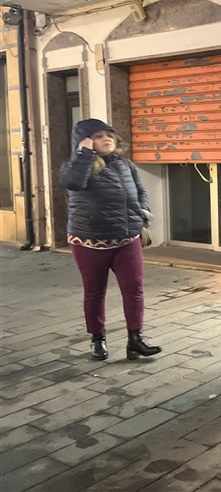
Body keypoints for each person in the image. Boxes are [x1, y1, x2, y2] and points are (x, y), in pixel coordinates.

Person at [60, 119, 161, 361]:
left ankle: (135, 339)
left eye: (109, 135)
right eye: (97, 136)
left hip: (127, 238)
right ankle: (97, 339)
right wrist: (84, 152)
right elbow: (73, 182)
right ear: (85, 142)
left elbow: (140, 191)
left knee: (134, 289)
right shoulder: (75, 166)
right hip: (89, 241)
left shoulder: (125, 164)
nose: (106, 139)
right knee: (95, 292)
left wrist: (142, 216)